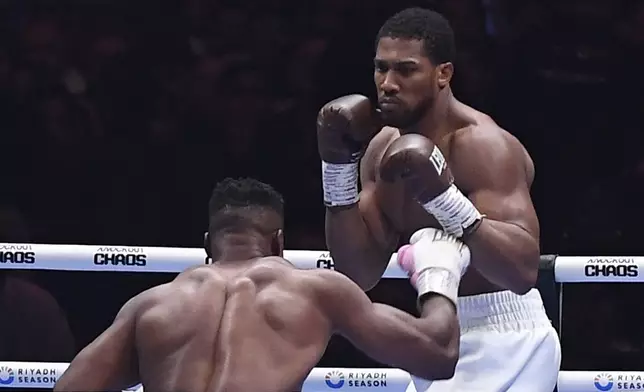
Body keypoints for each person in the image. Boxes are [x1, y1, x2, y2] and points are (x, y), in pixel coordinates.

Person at [317, 7, 561, 392]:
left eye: (406, 70)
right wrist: (337, 170)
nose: (388, 83)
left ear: (443, 74)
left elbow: (522, 272)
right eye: (381, 68)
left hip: (506, 336)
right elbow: (359, 273)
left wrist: (446, 199)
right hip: (435, 331)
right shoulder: (382, 148)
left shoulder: (482, 146)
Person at [55, 177, 472, 392]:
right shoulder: (316, 289)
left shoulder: (150, 305)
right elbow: (437, 354)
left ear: (207, 245)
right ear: (279, 243)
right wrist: (439, 274)